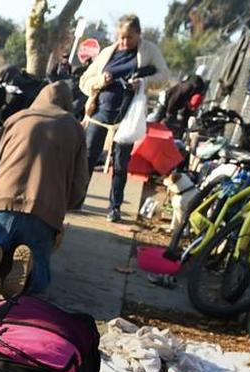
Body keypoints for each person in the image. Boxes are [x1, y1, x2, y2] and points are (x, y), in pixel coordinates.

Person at [0, 81, 90, 299]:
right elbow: (79, 186)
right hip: (44, 214)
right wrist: (60, 208)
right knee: (39, 266)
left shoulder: (17, 119)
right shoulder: (75, 129)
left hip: (0, 207)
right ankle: (29, 275)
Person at [79, 14, 170, 223]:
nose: (124, 42)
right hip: (100, 112)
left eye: (129, 37)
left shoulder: (149, 51)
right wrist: (102, 80)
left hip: (128, 115)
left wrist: (144, 82)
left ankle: (115, 207)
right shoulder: (107, 53)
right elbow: (85, 81)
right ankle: (76, 198)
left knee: (120, 164)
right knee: (88, 157)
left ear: (139, 34)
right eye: (121, 37)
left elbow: (164, 76)